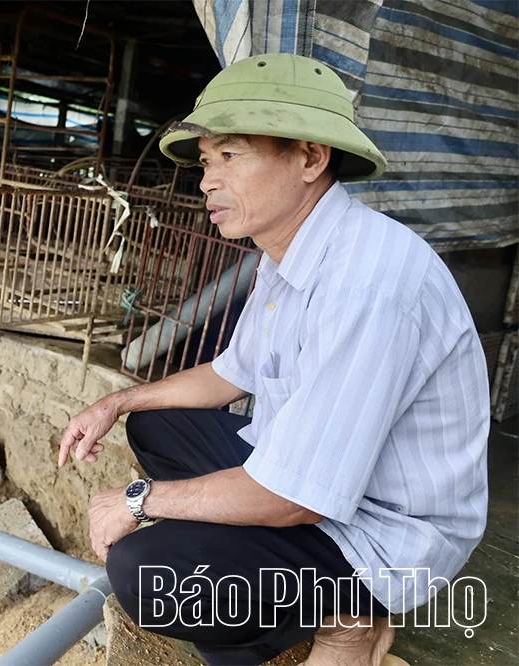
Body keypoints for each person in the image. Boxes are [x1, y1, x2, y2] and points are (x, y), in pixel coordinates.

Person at [58, 54, 489, 666]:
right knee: (155, 422)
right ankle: (283, 603)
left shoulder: (368, 282)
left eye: (230, 156)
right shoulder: (286, 252)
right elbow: (232, 373)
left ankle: (351, 619)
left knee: (150, 575)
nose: (207, 180)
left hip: (385, 534)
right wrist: (117, 401)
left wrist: (137, 499)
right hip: (325, 489)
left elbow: (298, 498)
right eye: (207, 161)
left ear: (311, 158)